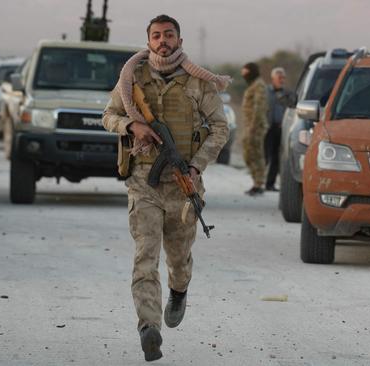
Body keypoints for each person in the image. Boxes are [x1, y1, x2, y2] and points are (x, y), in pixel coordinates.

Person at [102, 14, 229, 362]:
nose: (163, 41)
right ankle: (149, 328)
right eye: (156, 36)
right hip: (144, 182)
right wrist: (131, 126)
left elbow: (220, 128)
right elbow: (108, 115)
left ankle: (179, 289)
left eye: (169, 35)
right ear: (149, 41)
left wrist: (195, 165)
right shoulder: (133, 78)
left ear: (179, 40)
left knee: (178, 259)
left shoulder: (197, 82)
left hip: (183, 186)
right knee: (145, 258)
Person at [240, 62, 269, 196]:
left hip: (255, 127)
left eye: (245, 73)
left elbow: (259, 108)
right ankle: (256, 181)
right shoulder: (253, 85)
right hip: (249, 126)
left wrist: (253, 126)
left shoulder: (259, 86)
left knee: (256, 154)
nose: (244, 75)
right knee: (248, 154)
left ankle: (259, 184)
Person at [265, 67, 295, 191]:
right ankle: (258, 182)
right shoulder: (265, 92)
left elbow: (291, 107)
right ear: (273, 79)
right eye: (279, 78)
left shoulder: (287, 93)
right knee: (265, 156)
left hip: (279, 128)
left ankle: (270, 184)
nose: (282, 80)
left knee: (276, 157)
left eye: (283, 78)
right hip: (266, 128)